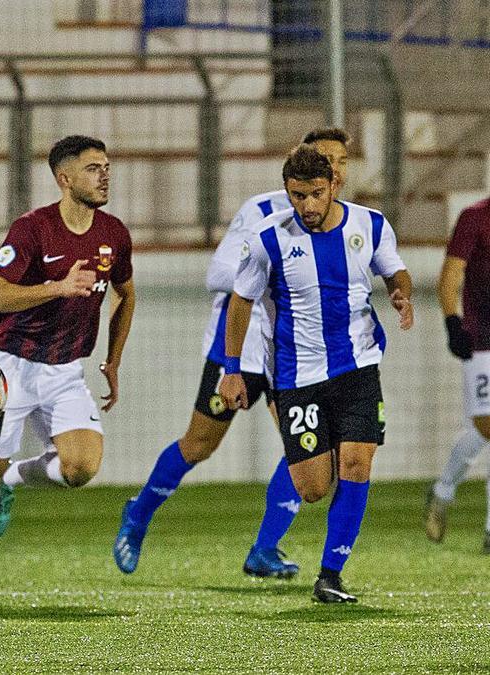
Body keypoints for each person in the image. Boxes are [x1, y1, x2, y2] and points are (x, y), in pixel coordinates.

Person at [113, 128, 352, 578]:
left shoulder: (349, 223)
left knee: (312, 450)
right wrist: (263, 277)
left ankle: (264, 548)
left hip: (295, 356)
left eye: (340, 160)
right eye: (324, 157)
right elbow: (219, 273)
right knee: (200, 444)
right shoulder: (264, 212)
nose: (334, 167)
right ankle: (139, 513)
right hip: (240, 349)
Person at [0, 135, 136, 606]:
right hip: (7, 369)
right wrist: (57, 287)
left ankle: (12, 479)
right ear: (64, 179)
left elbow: (127, 294)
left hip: (64, 370)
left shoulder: (114, 234)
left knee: (81, 467)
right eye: (92, 168)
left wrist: (113, 360)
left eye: (106, 166)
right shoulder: (33, 229)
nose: (104, 175)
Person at [219, 144, 414, 603]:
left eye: (315, 194)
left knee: (356, 464)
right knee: (312, 488)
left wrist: (401, 295)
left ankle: (330, 575)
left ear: (333, 187)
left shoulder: (370, 224)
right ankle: (307, 553)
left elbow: (396, 272)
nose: (306, 205)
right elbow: (240, 302)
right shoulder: (269, 239)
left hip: (359, 367)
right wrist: (232, 370)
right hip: (296, 377)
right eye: (296, 195)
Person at [424, 197, 490, 552]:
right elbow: (452, 271)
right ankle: (444, 487)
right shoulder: (475, 217)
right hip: (483, 337)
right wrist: (452, 320)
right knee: (486, 425)